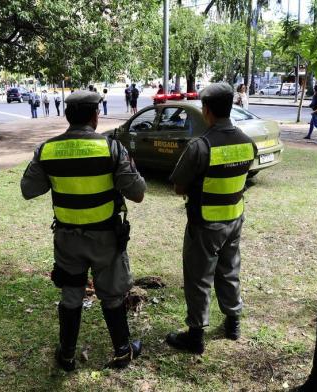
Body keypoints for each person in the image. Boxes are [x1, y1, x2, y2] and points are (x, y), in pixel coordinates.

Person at [20, 91, 146, 371]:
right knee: (112, 295)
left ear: (67, 116)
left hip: (67, 239)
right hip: (106, 239)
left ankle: (66, 356)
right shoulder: (112, 148)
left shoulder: (47, 150)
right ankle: (123, 352)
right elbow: (137, 193)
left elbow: (28, 189)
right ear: (94, 116)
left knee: (71, 294)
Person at [166, 82, 257, 354]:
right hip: (235, 218)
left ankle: (195, 337)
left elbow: (179, 187)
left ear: (206, 111)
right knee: (230, 270)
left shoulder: (200, 146)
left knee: (198, 277)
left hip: (205, 224)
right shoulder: (247, 143)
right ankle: (233, 324)